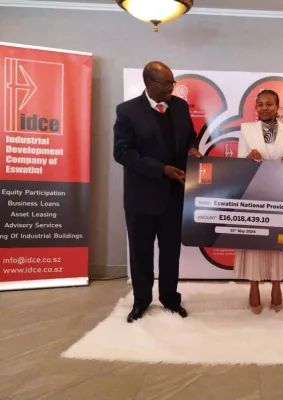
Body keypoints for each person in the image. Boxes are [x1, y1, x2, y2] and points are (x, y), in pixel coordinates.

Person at [113, 61, 202, 323]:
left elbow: (190, 136)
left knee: (171, 252)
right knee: (141, 253)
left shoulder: (180, 106)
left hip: (174, 196)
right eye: (165, 84)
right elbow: (122, 153)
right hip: (141, 197)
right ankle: (141, 301)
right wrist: (161, 169)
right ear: (148, 83)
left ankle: (170, 298)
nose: (170, 88)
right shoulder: (127, 111)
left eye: (172, 82)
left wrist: (192, 149)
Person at [234, 89, 283, 314]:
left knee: (278, 242)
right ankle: (253, 285)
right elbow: (238, 165)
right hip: (254, 194)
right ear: (256, 108)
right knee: (253, 241)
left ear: (277, 106)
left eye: (269, 104)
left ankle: (276, 285)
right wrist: (247, 158)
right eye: (260, 104)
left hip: (280, 196)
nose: (264, 108)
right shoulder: (246, 129)